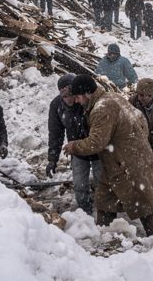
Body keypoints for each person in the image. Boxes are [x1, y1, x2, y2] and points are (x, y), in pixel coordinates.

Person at [63, 75, 153, 238]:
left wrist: (74, 146)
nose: (76, 101)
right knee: (104, 200)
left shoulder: (101, 108)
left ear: (87, 93)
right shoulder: (111, 97)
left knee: (144, 204)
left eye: (77, 97)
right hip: (119, 162)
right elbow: (141, 120)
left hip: (128, 164)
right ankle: (103, 236)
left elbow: (96, 143)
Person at [47, 73, 102, 213]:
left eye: (72, 94)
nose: (69, 99)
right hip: (77, 150)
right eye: (64, 96)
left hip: (97, 149)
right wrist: (52, 159)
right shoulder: (56, 106)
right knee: (79, 184)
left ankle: (105, 211)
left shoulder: (86, 102)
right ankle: (85, 211)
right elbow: (55, 134)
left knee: (102, 182)